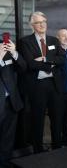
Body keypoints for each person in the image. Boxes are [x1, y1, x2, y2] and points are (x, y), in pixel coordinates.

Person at [19, 11, 65, 153]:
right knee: (37, 119)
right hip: (37, 86)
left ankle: (57, 146)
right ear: (32, 25)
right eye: (38, 22)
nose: (42, 25)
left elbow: (62, 59)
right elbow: (30, 64)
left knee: (57, 117)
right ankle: (38, 150)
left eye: (44, 21)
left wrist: (45, 59)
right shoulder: (25, 41)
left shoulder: (53, 40)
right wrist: (52, 63)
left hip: (54, 84)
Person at [0, 39, 26, 168]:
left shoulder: (4, 47)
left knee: (8, 136)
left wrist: (14, 52)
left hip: (11, 101)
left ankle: (5, 162)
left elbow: (23, 67)